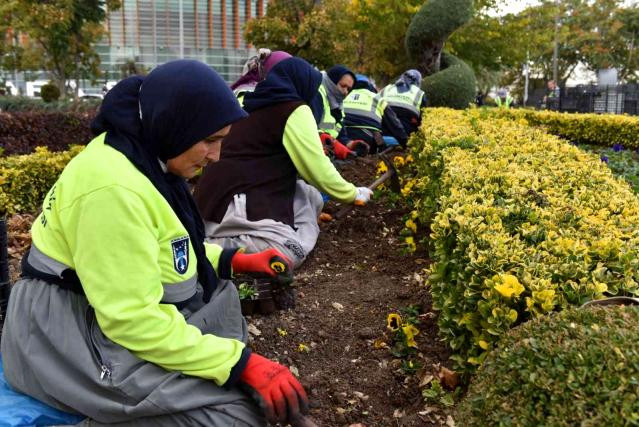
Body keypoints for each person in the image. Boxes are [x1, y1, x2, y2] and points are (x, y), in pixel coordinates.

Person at [1, 60, 309, 426]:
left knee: (223, 297)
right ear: (177, 125)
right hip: (64, 332)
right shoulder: (112, 191)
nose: (216, 156)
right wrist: (241, 364)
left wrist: (234, 260)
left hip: (102, 309)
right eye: (210, 141)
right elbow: (131, 320)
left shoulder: (146, 155)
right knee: (234, 416)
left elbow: (163, 245)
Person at [194, 57, 373, 269]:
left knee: (309, 195)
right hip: (234, 205)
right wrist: (353, 193)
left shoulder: (253, 104)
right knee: (288, 252)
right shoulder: (293, 108)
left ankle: (229, 238)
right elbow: (317, 170)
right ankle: (212, 248)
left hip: (214, 200)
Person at [338, 74, 408, 154]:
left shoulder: (344, 95)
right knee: (379, 135)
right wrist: (406, 144)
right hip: (367, 138)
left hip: (343, 137)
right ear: (370, 86)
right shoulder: (377, 98)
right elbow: (395, 126)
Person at [310, 64, 358, 160]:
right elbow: (309, 130)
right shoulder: (317, 95)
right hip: (312, 150)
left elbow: (340, 134)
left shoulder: (338, 105)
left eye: (349, 89)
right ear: (332, 81)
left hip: (327, 151)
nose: (345, 92)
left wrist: (350, 144)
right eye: (343, 86)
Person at [379, 69, 427, 137]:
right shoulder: (419, 93)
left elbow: (374, 105)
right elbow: (423, 117)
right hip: (406, 131)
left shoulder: (387, 88)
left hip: (384, 129)